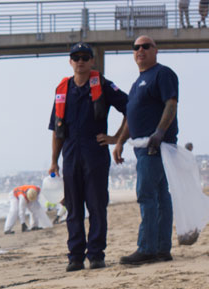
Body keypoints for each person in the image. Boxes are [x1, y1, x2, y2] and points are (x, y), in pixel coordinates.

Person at [48, 42, 128, 272]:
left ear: (92, 61)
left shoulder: (102, 85)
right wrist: (54, 161)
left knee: (96, 205)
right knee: (73, 208)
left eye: (85, 57)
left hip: (95, 153)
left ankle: (96, 255)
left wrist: (116, 138)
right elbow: (56, 129)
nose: (81, 61)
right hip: (70, 154)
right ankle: (75, 256)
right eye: (76, 57)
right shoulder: (62, 90)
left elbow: (130, 107)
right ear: (70, 61)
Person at [113, 35, 179, 266]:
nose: (140, 50)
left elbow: (171, 103)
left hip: (155, 146)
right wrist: (120, 141)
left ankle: (148, 248)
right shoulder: (137, 82)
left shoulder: (162, 74)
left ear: (155, 50)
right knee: (160, 195)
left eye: (145, 46)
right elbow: (132, 116)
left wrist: (159, 132)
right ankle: (161, 249)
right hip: (141, 146)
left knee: (147, 194)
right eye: (136, 47)